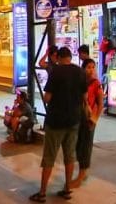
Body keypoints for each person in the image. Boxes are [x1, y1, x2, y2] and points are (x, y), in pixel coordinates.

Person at [29, 46, 86, 203]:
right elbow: (84, 95)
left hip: (56, 120)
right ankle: (67, 189)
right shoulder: (80, 72)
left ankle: (42, 193)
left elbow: (47, 98)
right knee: (70, 155)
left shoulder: (56, 72)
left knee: (49, 157)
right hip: (74, 119)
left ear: (59, 58)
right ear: (71, 57)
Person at [71, 58, 103, 187]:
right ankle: (83, 172)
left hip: (89, 119)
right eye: (88, 67)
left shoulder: (96, 83)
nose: (91, 70)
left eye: (93, 67)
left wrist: (94, 119)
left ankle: (81, 175)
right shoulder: (79, 82)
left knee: (86, 147)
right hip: (78, 117)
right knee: (78, 145)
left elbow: (100, 104)